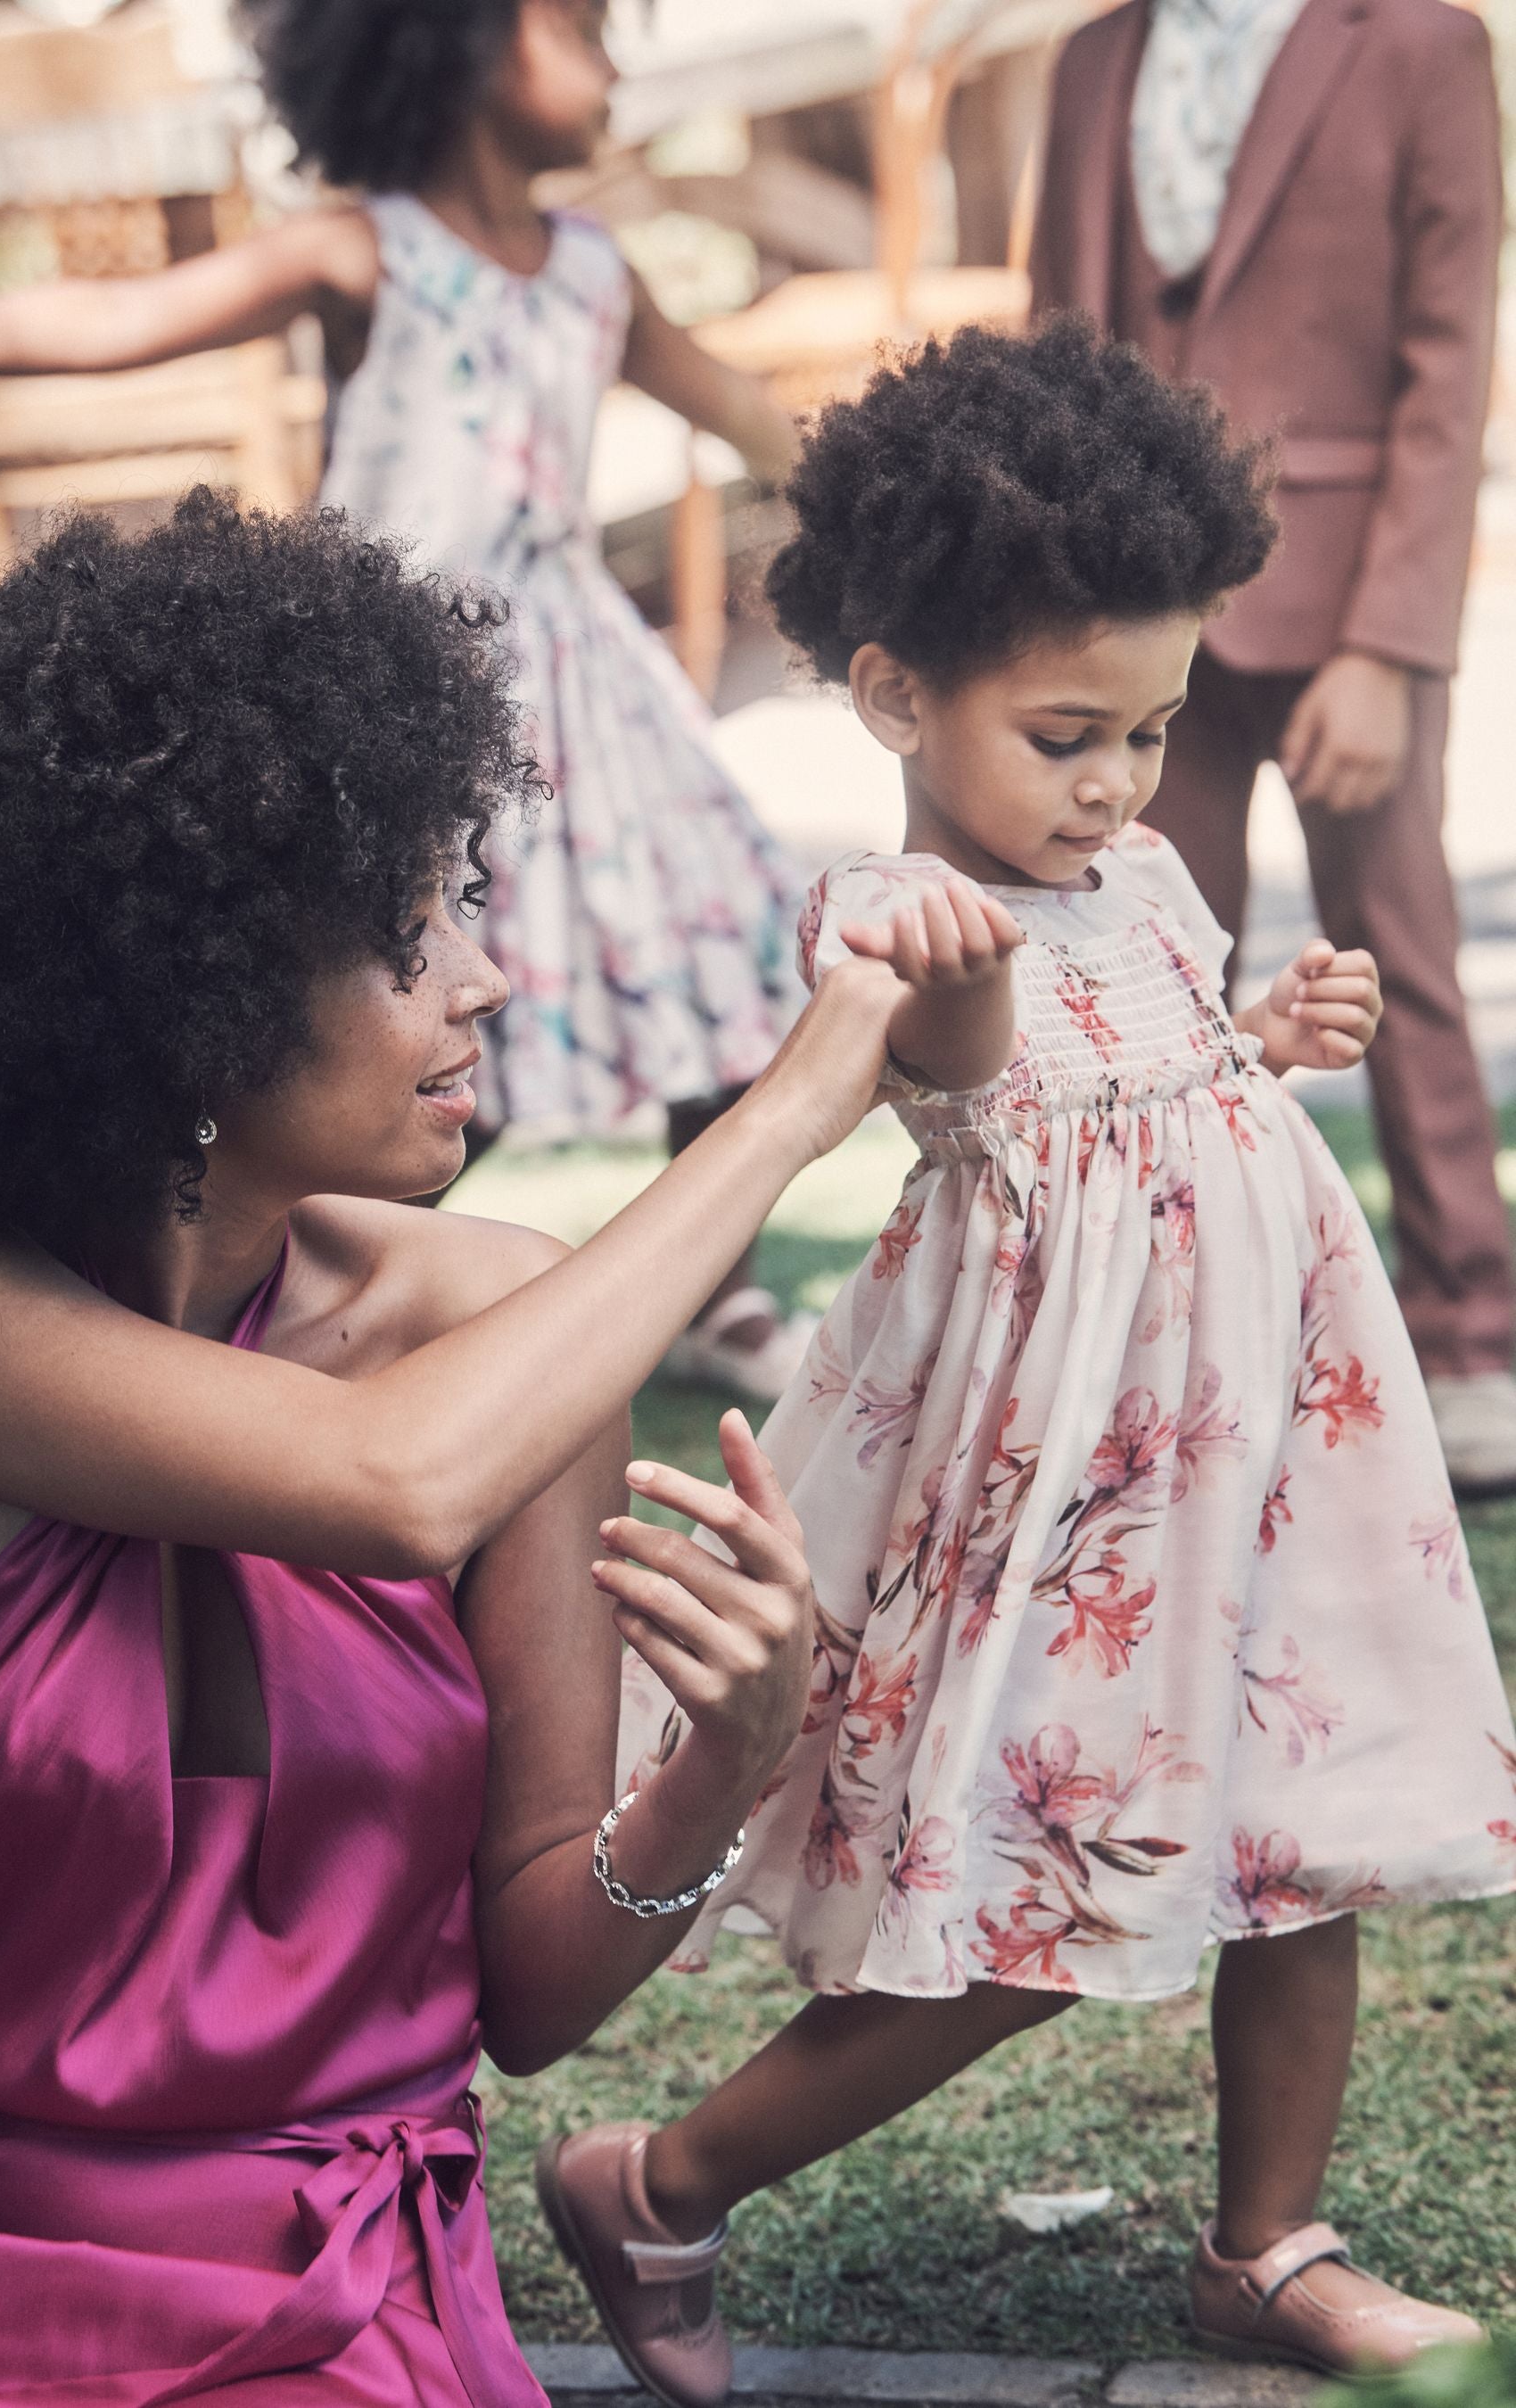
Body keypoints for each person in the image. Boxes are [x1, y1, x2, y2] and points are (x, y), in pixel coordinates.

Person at [537, 322, 1516, 2402]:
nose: (1117, 784)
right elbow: (982, 1071)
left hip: (1260, 1440)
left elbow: (1162, 1073)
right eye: (1070, 732)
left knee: (1299, 1824)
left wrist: (1272, 1038)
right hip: (1079, 1492)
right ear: (896, 694)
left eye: (1152, 731)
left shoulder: (1146, 877)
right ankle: (663, 2178)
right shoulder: (899, 922)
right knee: (1046, 1903)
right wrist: (970, 980)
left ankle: (1269, 2245)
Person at [0, 490, 913, 2401]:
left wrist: (724, 1762)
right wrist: (786, 1113)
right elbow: (390, 1484)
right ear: (175, 990)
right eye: (402, 932)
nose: (483, 980)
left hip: (347, 2294)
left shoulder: (500, 1329)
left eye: (461, 900)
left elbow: (534, 1997)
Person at [0, 0, 813, 1399]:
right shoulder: (362, 247)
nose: (613, 55)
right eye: (576, 26)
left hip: (588, 700)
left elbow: (749, 411)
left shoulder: (595, 270)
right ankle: (355, 1293)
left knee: (726, 960)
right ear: (447, 44)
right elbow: (112, 320)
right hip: (394, 704)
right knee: (389, 1009)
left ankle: (720, 1294)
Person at [1026, 0, 1513, 1496]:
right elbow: (1060, 340)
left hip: (1343, 586)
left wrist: (1391, 644)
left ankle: (1473, 1328)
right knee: (1141, 975)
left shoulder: (1421, 44)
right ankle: (1176, 1331)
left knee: (1400, 955)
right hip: (1132, 609)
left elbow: (1450, 366)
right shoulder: (1092, 58)